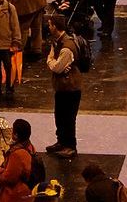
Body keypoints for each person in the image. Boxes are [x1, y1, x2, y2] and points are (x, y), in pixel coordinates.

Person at [45, 15, 83, 158]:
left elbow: (56, 67)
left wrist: (51, 61)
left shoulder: (66, 48)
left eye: (50, 24)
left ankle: (70, 147)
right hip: (62, 87)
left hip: (70, 88)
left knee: (68, 118)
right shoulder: (57, 43)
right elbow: (54, 62)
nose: (48, 27)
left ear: (55, 26)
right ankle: (61, 142)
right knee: (59, 117)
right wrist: (53, 61)